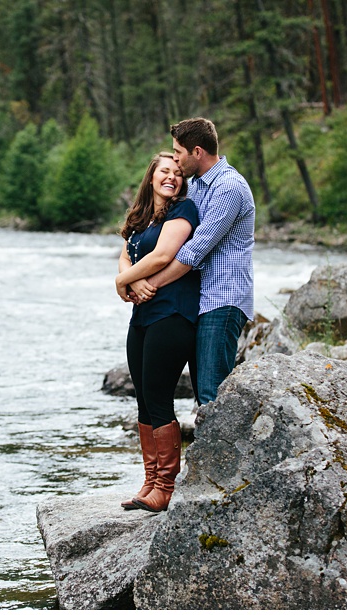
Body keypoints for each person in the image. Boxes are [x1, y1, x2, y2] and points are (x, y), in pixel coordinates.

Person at [132, 118, 255, 405]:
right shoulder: (196, 186)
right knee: (202, 394)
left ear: (197, 152)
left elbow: (191, 252)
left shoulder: (229, 187)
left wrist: (148, 286)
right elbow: (167, 233)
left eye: (178, 152)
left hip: (222, 301)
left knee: (212, 394)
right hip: (197, 300)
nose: (175, 158)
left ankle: (221, 450)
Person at [115, 152, 200, 513]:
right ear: (151, 176)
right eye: (165, 171)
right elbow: (126, 254)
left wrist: (122, 281)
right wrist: (126, 279)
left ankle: (166, 486)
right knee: (143, 399)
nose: (172, 177)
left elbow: (163, 255)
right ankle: (150, 482)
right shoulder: (139, 217)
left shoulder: (184, 211)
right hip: (143, 315)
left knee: (160, 396)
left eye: (178, 173)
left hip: (173, 312)